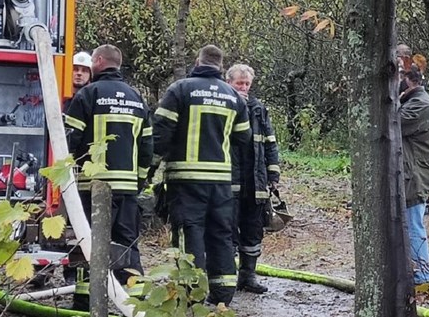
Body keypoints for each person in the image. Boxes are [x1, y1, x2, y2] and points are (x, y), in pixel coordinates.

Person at [150, 45, 251, 306]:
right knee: (221, 235)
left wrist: (148, 169)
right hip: (220, 183)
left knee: (189, 232)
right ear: (220, 66)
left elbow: (160, 135)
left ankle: (192, 295)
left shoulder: (180, 90)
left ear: (198, 61)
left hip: (186, 180)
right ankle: (223, 296)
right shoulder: (234, 97)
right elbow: (243, 137)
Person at [63, 45, 153, 296]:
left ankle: (85, 298)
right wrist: (140, 180)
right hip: (126, 188)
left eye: (91, 61)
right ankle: (134, 301)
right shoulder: (136, 97)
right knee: (127, 243)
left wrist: (66, 176)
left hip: (92, 185)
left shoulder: (88, 95)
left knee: (87, 242)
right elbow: (147, 145)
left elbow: (70, 140)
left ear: (100, 61)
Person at [226, 64, 280, 294]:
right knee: (227, 232)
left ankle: (248, 276)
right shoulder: (223, 105)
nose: (244, 88)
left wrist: (273, 174)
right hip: (229, 183)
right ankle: (225, 279)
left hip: (255, 183)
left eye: (247, 83)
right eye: (240, 83)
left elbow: (270, 143)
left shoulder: (258, 109)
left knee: (253, 231)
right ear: (229, 82)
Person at [399, 69, 429, 288]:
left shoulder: (421, 104)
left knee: (414, 224)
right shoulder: (413, 101)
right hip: (410, 172)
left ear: (409, 82)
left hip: (415, 174)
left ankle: (423, 274)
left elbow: (393, 121)